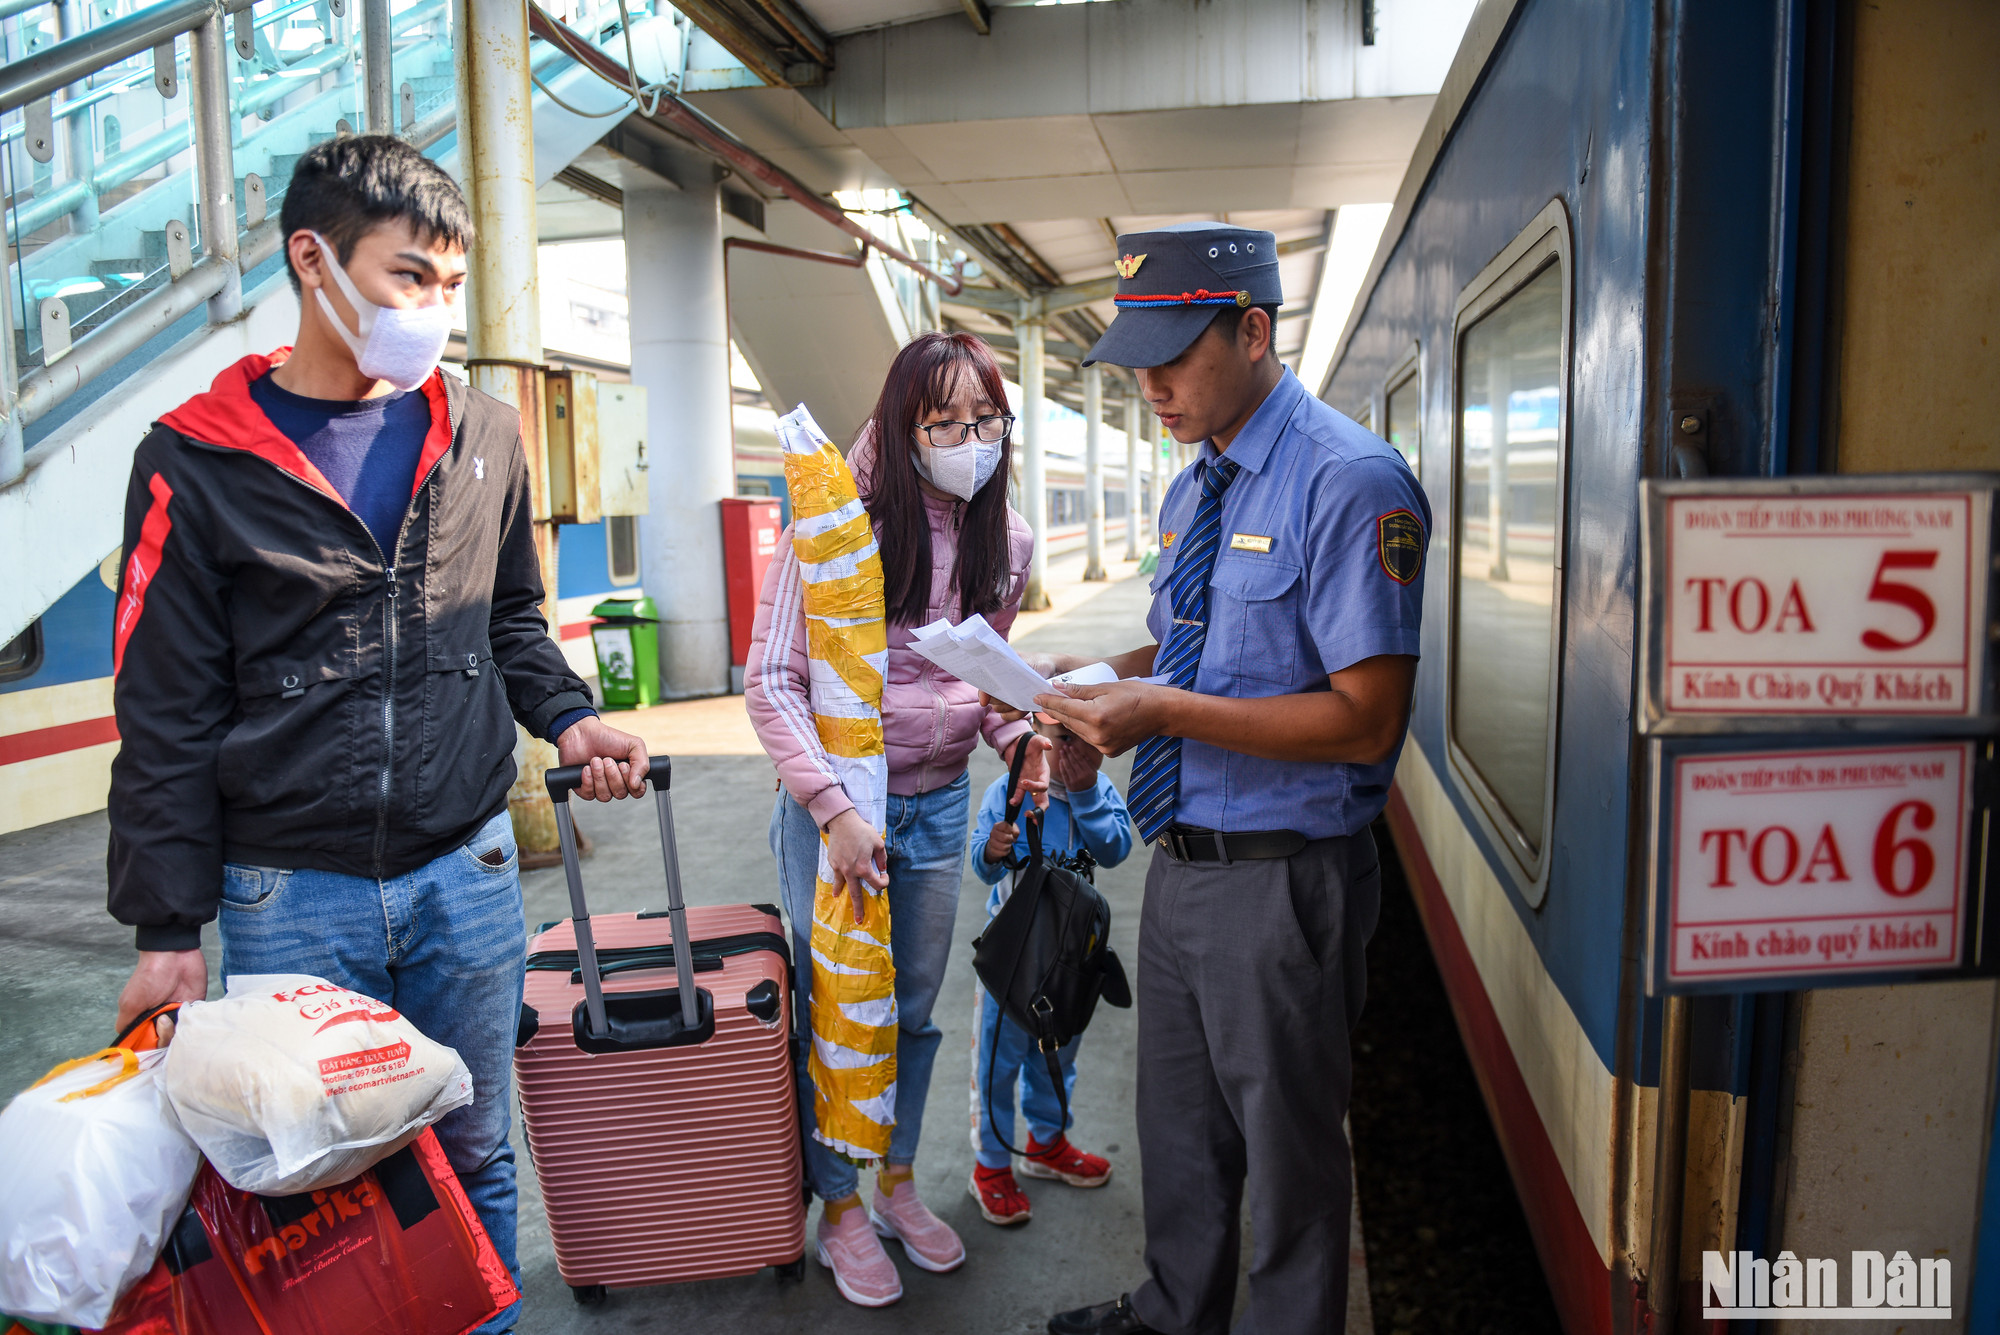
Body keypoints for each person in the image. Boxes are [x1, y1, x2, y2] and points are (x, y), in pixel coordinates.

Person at [104, 135, 648, 1335]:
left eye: (450, 285)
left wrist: (568, 717)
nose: (433, 312)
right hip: (289, 896)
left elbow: (509, 616)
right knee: (323, 1184)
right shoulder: (194, 461)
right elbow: (166, 715)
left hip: (468, 872)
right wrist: (166, 926)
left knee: (475, 1150)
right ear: (313, 260)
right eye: (409, 277)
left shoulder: (482, 430)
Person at [1020, 223, 1429, 1335]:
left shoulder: (1349, 482)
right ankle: (1175, 1311)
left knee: (1290, 1156)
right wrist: (1094, 680)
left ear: (1251, 332)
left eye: (1171, 357)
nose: (1150, 386)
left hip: (1284, 881)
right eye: (1134, 364)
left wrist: (1155, 711)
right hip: (1184, 864)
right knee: (1182, 1129)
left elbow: (1365, 721)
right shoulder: (1196, 483)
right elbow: (1189, 647)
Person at [746, 331, 1052, 1308]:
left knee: (911, 1013)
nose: (972, 442)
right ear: (902, 426)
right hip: (842, 815)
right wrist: (833, 809)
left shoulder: (1008, 543)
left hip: (939, 806)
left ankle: (895, 1183)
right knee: (838, 1008)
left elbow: (985, 683)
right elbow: (771, 681)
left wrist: (1022, 740)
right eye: (945, 423)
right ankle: (838, 1206)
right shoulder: (836, 528)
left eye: (987, 421)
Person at [967, 733, 1132, 1226]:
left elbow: (1115, 849)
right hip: (1013, 961)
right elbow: (981, 865)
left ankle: (1047, 1143)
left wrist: (1086, 794)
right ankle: (991, 1166)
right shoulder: (1009, 791)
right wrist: (993, 849)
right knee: (995, 1065)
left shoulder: (1100, 791)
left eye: (1088, 739)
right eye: (1063, 739)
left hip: (1069, 964)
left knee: (1057, 1057)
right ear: (1038, 738)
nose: (1075, 751)